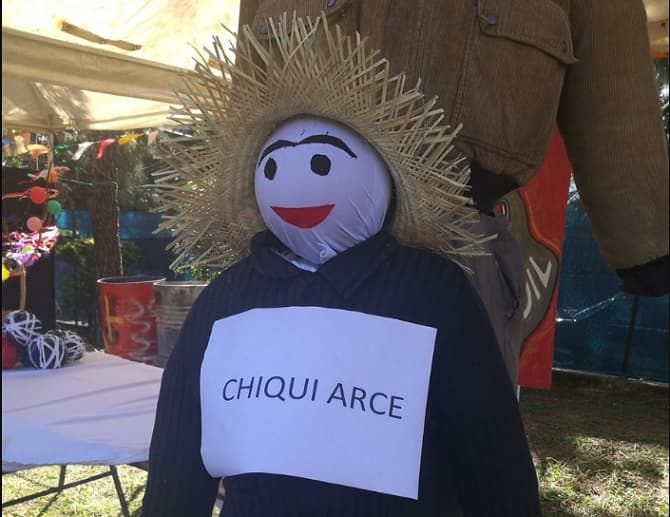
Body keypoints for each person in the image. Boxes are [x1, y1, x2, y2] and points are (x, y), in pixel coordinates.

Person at [142, 16, 541, 516]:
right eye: (274, 166)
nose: (294, 183)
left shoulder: (433, 290)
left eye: (321, 163)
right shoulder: (228, 296)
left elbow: (491, 450)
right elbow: (180, 440)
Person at [236, 0, 670, 385]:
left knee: (457, 434)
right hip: (297, 248)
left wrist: (643, 234)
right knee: (288, 426)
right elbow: (248, 84)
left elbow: (612, 64)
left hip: (461, 242)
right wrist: (238, 212)